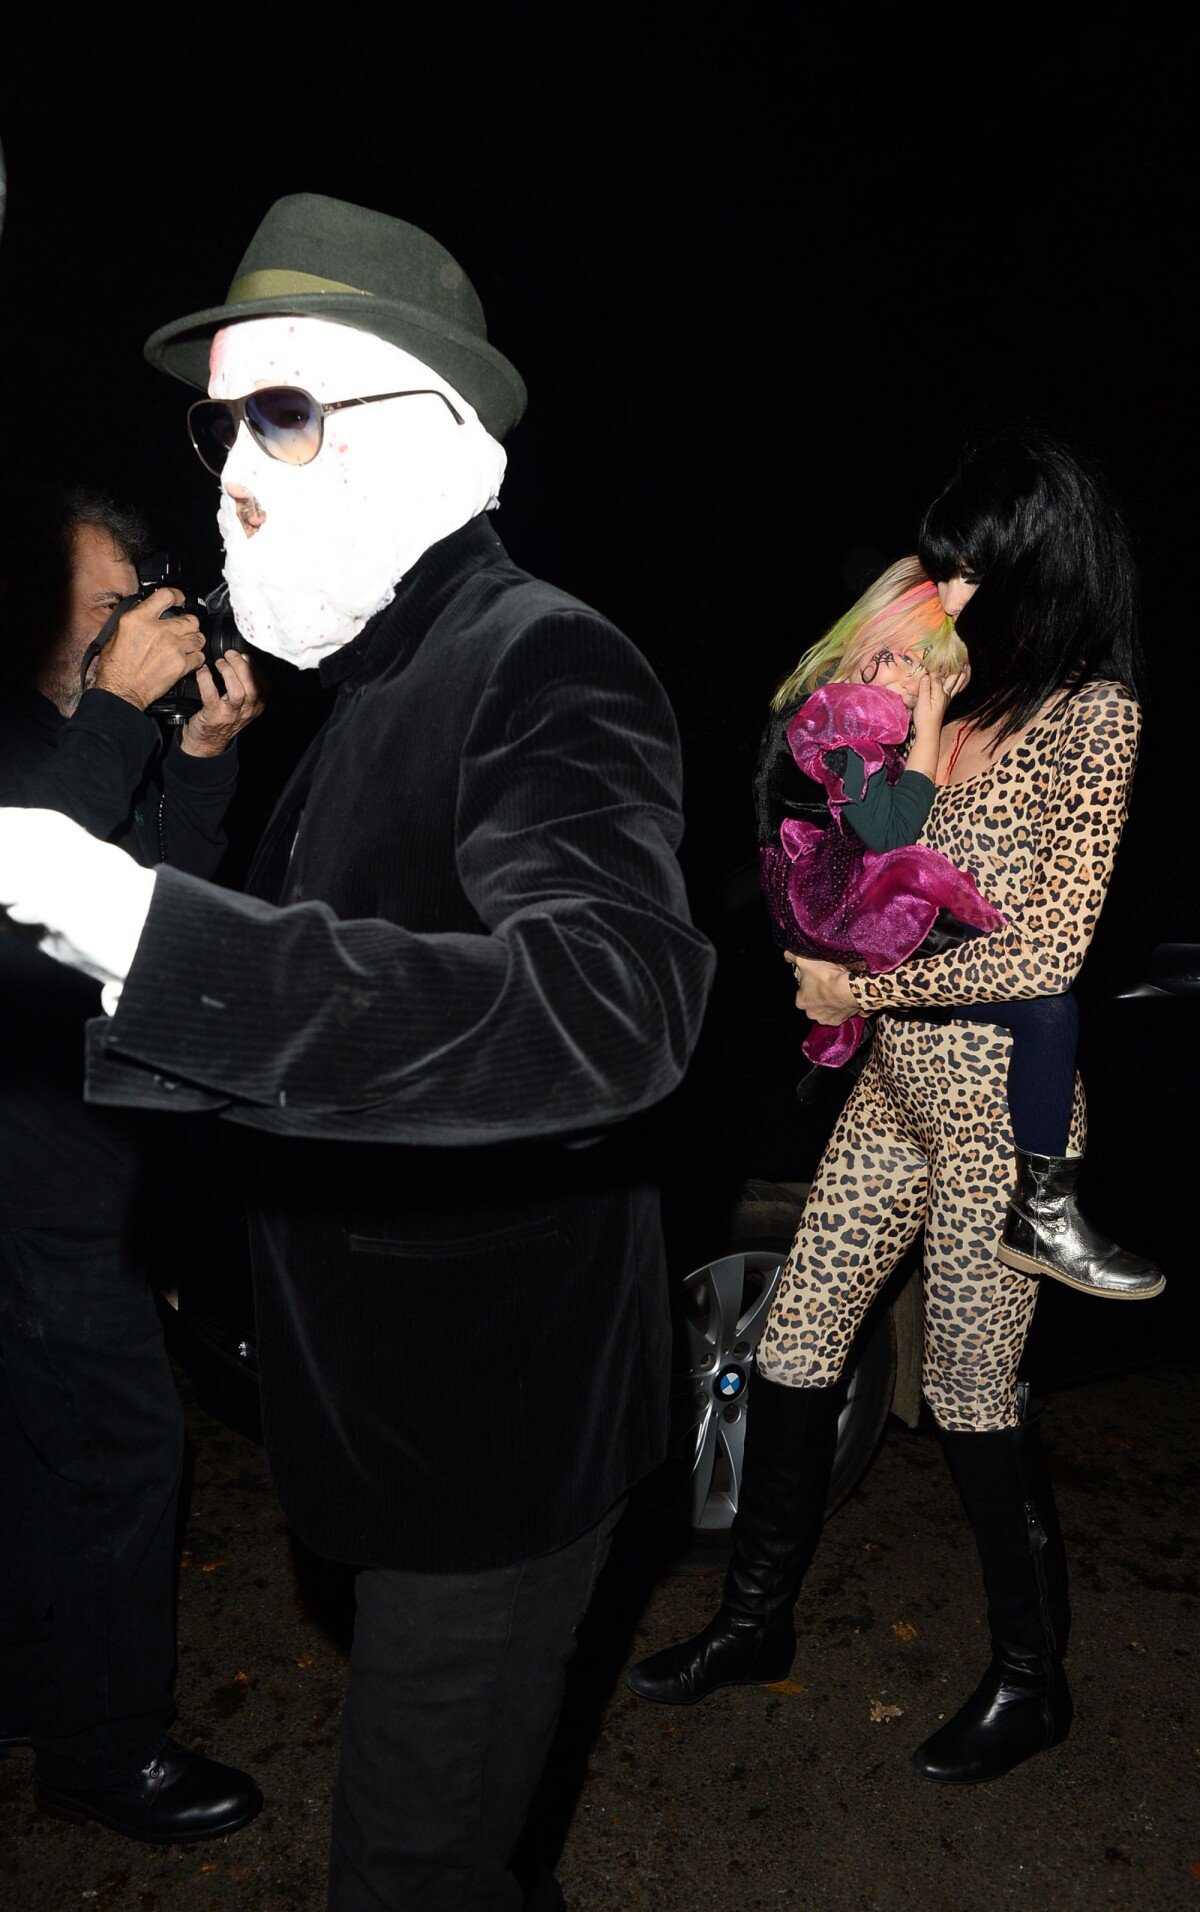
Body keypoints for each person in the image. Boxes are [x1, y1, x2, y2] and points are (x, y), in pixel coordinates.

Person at [0, 194, 715, 1908]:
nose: (233, 474)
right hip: (397, 1423)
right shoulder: (378, 690)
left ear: (434, 432)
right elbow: (341, 1015)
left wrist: (151, 933)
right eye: (217, 423)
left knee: (411, 1865)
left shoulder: (542, 659)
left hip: (498, 1441)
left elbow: (608, 1004)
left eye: (285, 413)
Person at [625, 424, 1147, 1788]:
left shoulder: (1095, 716)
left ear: (1046, 565)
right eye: (949, 568)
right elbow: (884, 880)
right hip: (897, 1098)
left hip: (990, 1111)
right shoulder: (949, 692)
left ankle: (1033, 1683)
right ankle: (755, 1621)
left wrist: (867, 998)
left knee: (973, 1392)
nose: (951, 595)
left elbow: (1053, 950)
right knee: (795, 1346)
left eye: (977, 572)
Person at [0, 482, 266, 1837]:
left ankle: (48, 1688)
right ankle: (107, 1751)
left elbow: (155, 908)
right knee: (120, 1455)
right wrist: (115, 714)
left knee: (52, 1461)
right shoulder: (38, 741)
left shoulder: (80, 741)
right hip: (30, 1184)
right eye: (108, 608)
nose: (131, 632)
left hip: (85, 1163)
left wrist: (203, 755)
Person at [756, 556, 1162, 1300]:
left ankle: (1042, 1209)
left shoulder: (845, 712)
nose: (916, 685)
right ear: (874, 644)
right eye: (908, 662)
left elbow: (1044, 945)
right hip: (846, 926)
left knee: (1041, 1001)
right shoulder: (847, 718)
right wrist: (932, 725)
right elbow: (892, 829)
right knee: (1043, 1005)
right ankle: (1046, 1210)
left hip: (938, 1052)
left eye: (937, 671)